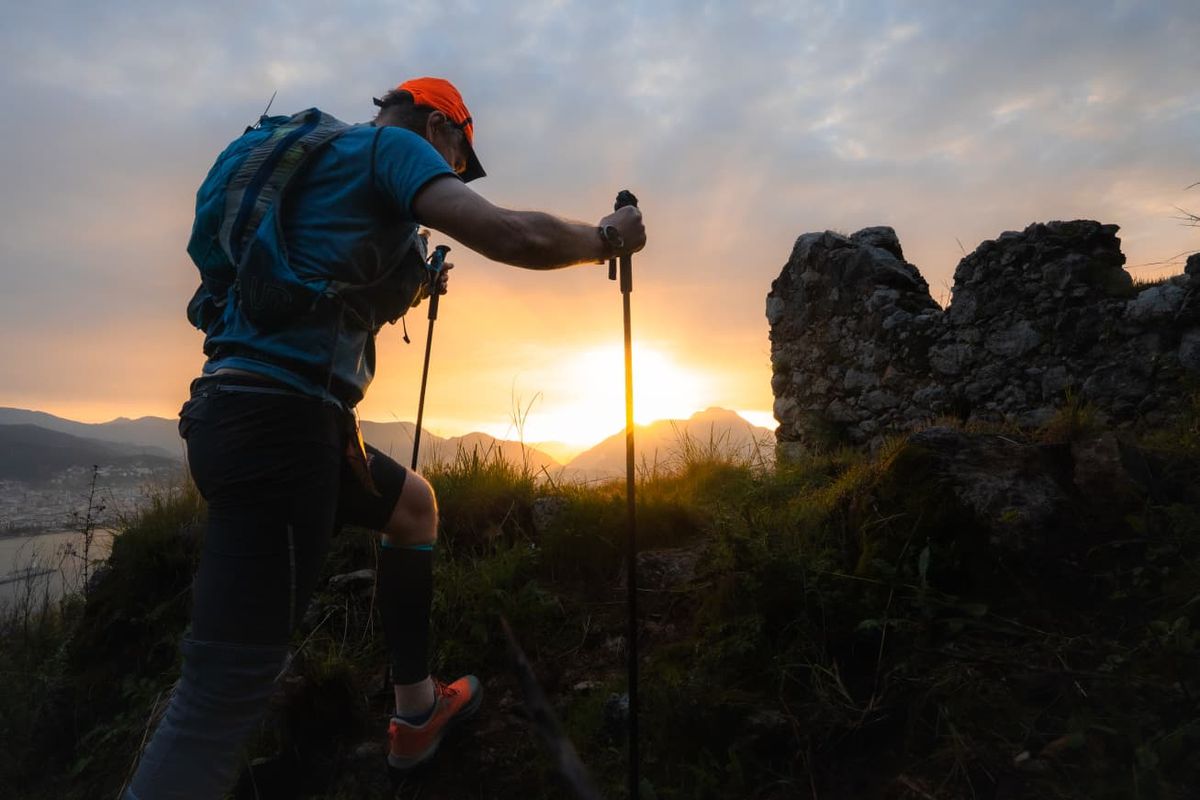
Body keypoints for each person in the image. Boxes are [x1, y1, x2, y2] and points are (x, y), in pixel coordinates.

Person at [124, 76, 645, 799]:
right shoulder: (391, 152)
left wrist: (414, 282)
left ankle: (417, 713)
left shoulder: (315, 160)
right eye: (458, 160)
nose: (453, 175)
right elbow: (511, 234)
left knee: (413, 507)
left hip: (245, 413)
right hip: (283, 431)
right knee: (219, 696)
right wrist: (606, 238)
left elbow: (324, 275)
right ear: (438, 128)